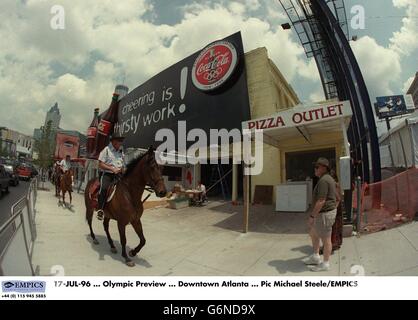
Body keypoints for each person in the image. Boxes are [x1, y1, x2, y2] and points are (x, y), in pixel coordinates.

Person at [303, 157, 337, 272]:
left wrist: (312, 216)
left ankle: (325, 263)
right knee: (313, 233)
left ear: (323, 168)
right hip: (324, 213)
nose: (315, 169)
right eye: (315, 167)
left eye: (317, 167)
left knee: (326, 239)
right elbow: (337, 198)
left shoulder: (323, 180)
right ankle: (316, 256)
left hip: (324, 215)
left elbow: (321, 200)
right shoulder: (327, 179)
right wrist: (333, 208)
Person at [96, 134, 125, 220]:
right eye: (119, 141)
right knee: (104, 188)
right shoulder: (106, 150)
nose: (121, 143)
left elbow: (123, 163)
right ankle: (100, 210)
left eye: (121, 141)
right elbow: (100, 164)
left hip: (119, 174)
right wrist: (112, 169)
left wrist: (123, 169)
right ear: (113, 141)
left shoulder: (121, 151)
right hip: (107, 174)